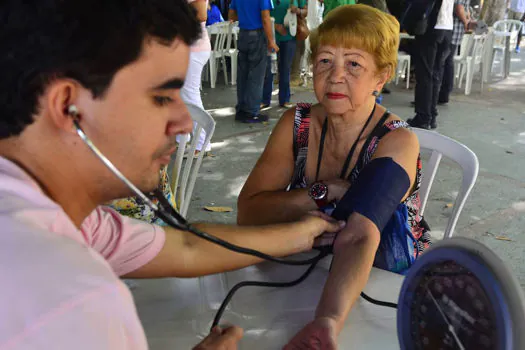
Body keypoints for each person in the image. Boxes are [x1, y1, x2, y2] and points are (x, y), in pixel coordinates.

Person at [0, 1, 345, 349]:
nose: (184, 123)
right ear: (67, 107)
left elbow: (187, 246)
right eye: (162, 97)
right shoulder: (71, 298)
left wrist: (304, 233)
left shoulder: (66, 220)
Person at [237, 5, 431, 347]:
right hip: (301, 270)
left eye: (354, 64)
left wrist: (326, 320)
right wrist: (322, 191)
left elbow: (359, 234)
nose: (335, 75)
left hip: (382, 281)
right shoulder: (297, 124)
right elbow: (249, 211)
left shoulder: (397, 140)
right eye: (325, 60)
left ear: (381, 77)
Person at [229, 0, 279, 123]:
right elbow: (265, 18)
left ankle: (241, 109)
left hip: (243, 34)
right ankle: (251, 112)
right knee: (256, 76)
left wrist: (245, 15)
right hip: (257, 35)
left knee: (243, 75)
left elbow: (231, 15)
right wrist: (271, 41)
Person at [407, 0, 454, 129]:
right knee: (435, 74)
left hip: (430, 26)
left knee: (424, 74)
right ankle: (431, 115)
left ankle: (423, 117)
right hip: (447, 27)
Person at [262, 0, 307, 109]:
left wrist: (298, 11)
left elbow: (305, 12)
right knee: (268, 69)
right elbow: (262, 13)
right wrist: (276, 26)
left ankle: (284, 99)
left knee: (285, 68)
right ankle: (264, 99)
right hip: (270, 36)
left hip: (289, 36)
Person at [438, 0, 474, 104]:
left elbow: (459, 8)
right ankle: (444, 93)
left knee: (443, 62)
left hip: (452, 28)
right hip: (456, 29)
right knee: (448, 61)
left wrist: (466, 22)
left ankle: (442, 93)